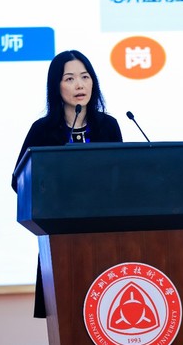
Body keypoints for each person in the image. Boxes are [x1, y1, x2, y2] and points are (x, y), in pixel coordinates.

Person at [11, 50, 123, 318]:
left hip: (105, 233)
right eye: (70, 78)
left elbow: (121, 176)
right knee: (66, 314)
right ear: (56, 86)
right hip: (59, 234)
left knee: (107, 311)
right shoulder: (43, 130)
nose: (79, 85)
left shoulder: (108, 126)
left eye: (85, 77)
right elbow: (19, 180)